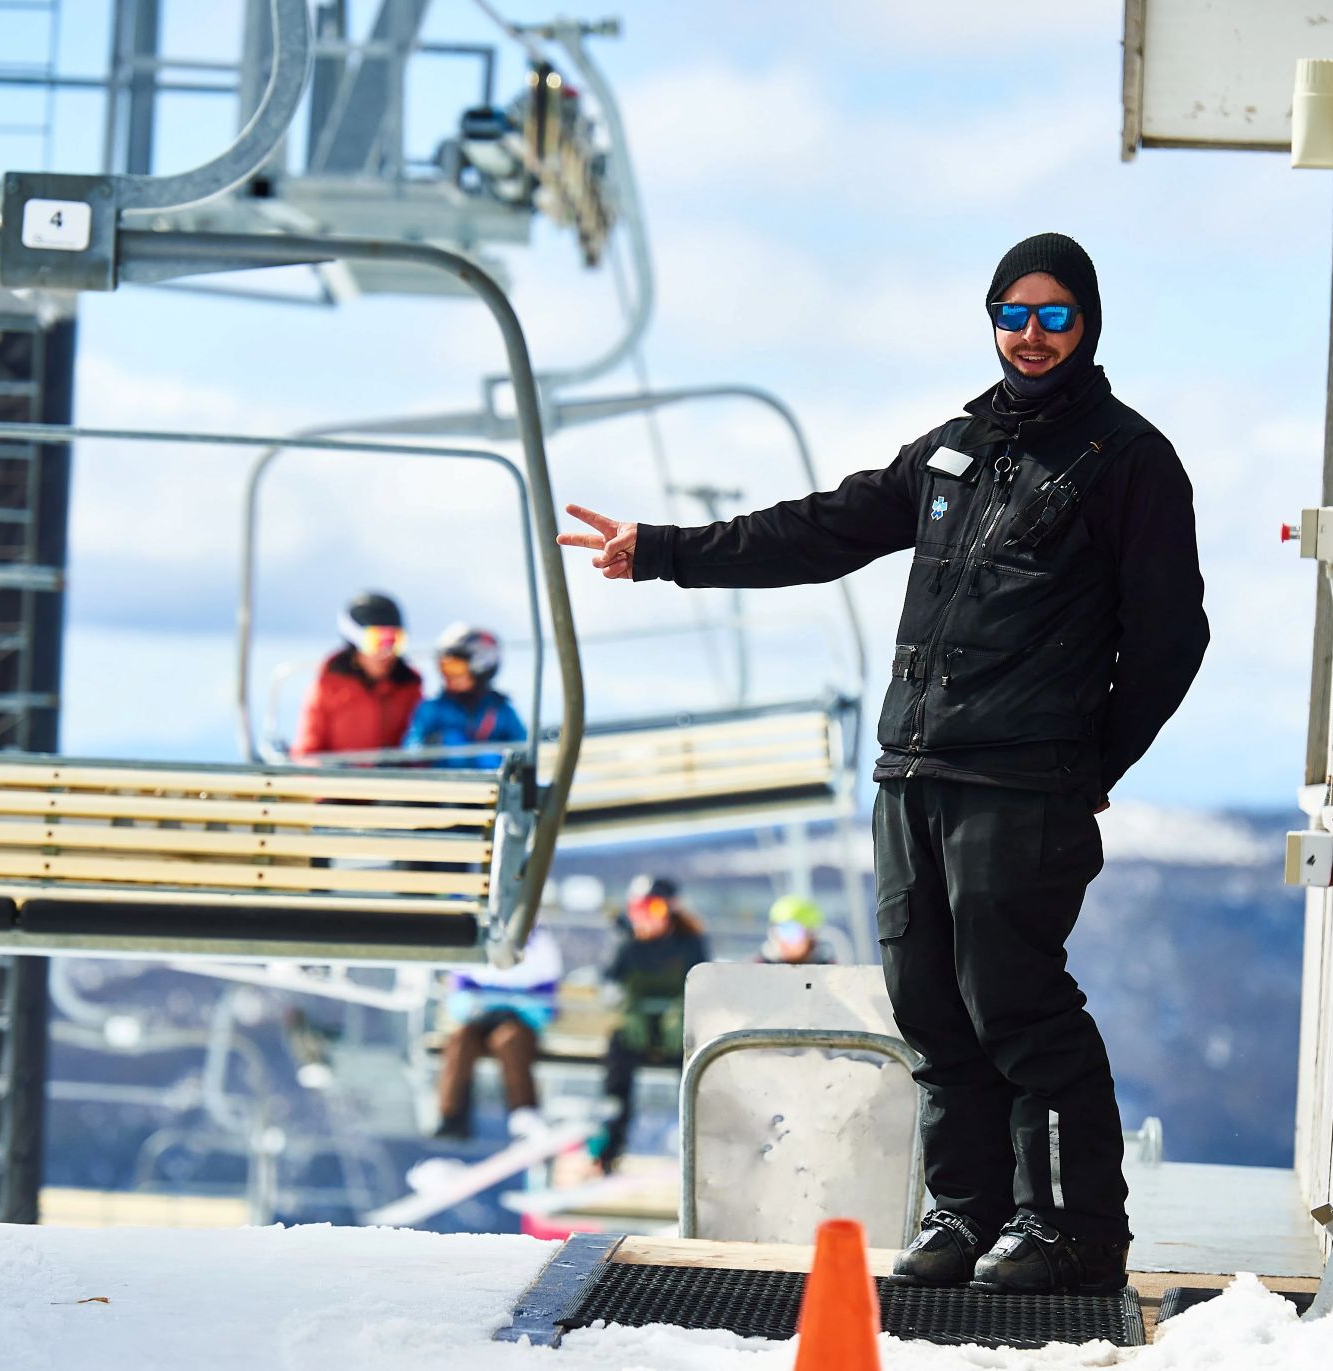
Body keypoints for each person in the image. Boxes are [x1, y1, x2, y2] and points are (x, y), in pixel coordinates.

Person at [555, 233, 1208, 1295]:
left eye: (1053, 316)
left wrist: (1092, 763)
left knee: (1015, 999)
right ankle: (967, 1211)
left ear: (1087, 324)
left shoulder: (1129, 458)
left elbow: (1170, 637)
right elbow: (821, 531)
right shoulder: (955, 450)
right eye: (1012, 314)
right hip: (912, 769)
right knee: (928, 1003)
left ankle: (1073, 1228)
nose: (1031, 335)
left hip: (1023, 782)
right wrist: (665, 550)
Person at [590, 875, 709, 1174]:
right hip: (637, 1031)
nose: (646, 919)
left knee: (694, 1064)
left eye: (654, 910)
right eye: (638, 910)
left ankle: (700, 1140)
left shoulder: (688, 944)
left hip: (676, 1033)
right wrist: (628, 1010)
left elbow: (702, 984)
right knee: (617, 1056)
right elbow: (610, 985)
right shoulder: (625, 944)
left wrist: (682, 1014)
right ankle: (609, 1142)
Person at [433, 926, 563, 1142]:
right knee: (460, 1041)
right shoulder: (477, 938)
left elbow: (547, 999)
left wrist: (518, 1007)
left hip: (519, 1021)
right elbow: (459, 991)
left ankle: (523, 1112)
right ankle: (452, 1114)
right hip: (479, 1018)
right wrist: (475, 1008)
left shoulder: (540, 947)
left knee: (509, 1040)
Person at [292, 591, 424, 761]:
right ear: (355, 640)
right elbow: (307, 752)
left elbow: (418, 747)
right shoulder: (328, 687)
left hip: (391, 777)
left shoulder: (408, 685)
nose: (386, 652)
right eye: (376, 641)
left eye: (395, 640)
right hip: (340, 776)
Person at [403, 624, 527, 769]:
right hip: (445, 781)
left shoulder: (500, 710)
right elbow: (409, 748)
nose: (447, 675)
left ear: (480, 666)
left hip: (490, 781)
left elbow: (522, 748)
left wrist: (496, 756)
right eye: (443, 666)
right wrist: (433, 744)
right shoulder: (433, 709)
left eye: (455, 667)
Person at [755, 894, 835, 965]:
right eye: (777, 931)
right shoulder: (758, 968)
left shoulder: (831, 971)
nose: (782, 940)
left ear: (811, 936)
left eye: (790, 931)